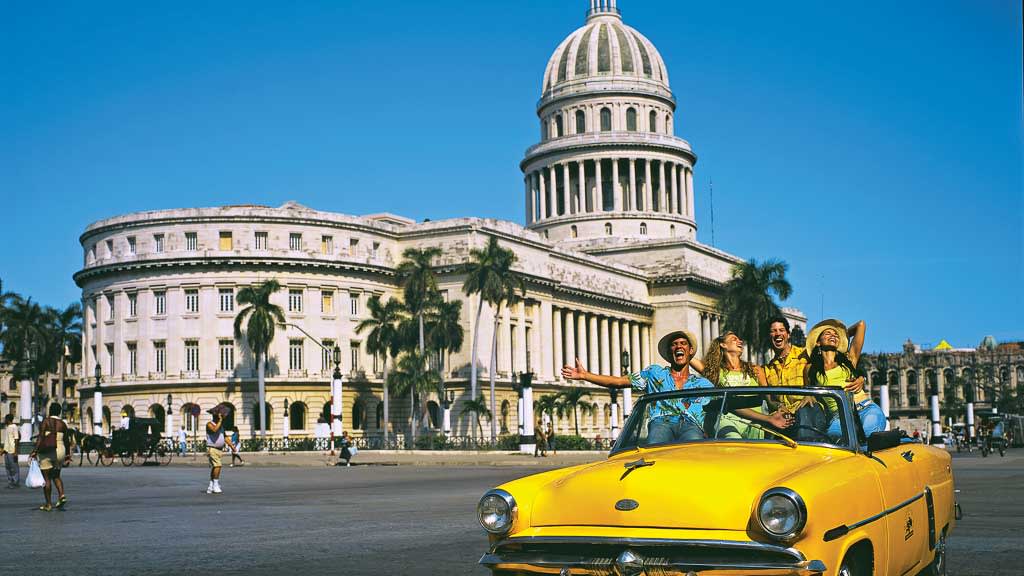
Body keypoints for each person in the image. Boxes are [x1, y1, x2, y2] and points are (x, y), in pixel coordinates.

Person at [563, 329, 714, 444]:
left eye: (683, 343)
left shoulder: (703, 384)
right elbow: (619, 382)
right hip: (662, 422)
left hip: (691, 425)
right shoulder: (654, 373)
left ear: (690, 351)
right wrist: (585, 375)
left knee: (694, 448)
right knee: (655, 450)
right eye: (674, 344)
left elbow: (725, 403)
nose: (678, 347)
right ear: (670, 352)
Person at [763, 316, 864, 440]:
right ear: (768, 336)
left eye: (781, 330)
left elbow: (838, 356)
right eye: (773, 331)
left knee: (805, 417)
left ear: (788, 334)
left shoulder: (806, 354)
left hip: (810, 414)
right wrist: (778, 406)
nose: (777, 334)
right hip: (784, 420)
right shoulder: (767, 369)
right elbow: (771, 400)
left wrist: (860, 376)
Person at [692, 332, 793, 439]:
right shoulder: (715, 371)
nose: (739, 341)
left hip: (756, 422)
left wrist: (779, 407)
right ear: (723, 344)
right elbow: (688, 357)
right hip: (728, 420)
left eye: (740, 339)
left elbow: (769, 397)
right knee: (734, 444)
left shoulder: (755, 370)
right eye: (734, 339)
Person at [804, 319, 886, 441]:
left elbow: (861, 325)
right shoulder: (810, 368)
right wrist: (808, 397)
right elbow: (809, 393)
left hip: (866, 408)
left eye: (836, 335)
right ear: (818, 343)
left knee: (868, 434)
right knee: (833, 439)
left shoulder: (849, 360)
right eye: (827, 333)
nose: (833, 335)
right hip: (838, 416)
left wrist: (841, 336)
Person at [30, 404, 72, 511]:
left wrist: (35, 451)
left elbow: (41, 437)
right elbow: (67, 441)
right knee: (56, 475)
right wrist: (67, 455)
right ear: (59, 412)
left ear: (50, 411)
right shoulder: (63, 424)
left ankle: (48, 504)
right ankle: (61, 495)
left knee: (46, 478)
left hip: (48, 451)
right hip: (61, 451)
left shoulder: (46, 421)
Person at [206, 410, 227, 494]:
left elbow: (224, 437)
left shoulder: (220, 426)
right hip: (212, 448)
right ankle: (215, 484)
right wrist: (220, 421)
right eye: (219, 416)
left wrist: (232, 446)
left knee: (215, 467)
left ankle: (211, 485)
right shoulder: (209, 424)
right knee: (218, 465)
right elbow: (214, 430)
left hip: (219, 449)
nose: (220, 417)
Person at [2, 414, 20, 488]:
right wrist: (3, 450)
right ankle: (10, 482)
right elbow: (7, 440)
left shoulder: (14, 427)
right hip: (6, 450)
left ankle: (15, 482)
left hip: (12, 450)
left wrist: (16, 451)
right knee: (8, 467)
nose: (4, 421)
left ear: (8, 419)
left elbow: (16, 439)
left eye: (5, 419)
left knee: (14, 467)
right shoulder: (7, 427)